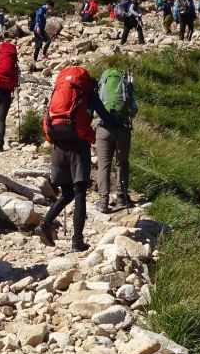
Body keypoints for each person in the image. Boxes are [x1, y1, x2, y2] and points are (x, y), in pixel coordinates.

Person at [37, 66, 117, 252]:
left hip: (57, 145)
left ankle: (45, 224)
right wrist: (115, 122)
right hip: (78, 146)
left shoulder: (62, 92)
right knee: (80, 192)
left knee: (66, 193)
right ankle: (77, 241)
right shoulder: (89, 93)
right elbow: (106, 118)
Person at [94, 67, 138, 212]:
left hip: (104, 128)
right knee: (122, 163)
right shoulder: (127, 85)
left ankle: (103, 201)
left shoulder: (102, 84)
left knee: (104, 165)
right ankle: (121, 197)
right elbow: (133, 111)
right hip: (123, 129)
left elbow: (94, 108)